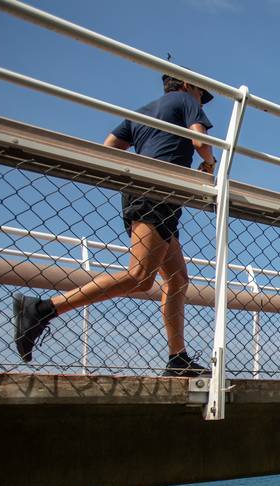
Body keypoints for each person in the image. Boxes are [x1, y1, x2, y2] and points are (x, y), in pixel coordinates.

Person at [12, 73, 217, 376]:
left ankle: (177, 358)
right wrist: (210, 165)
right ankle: (43, 309)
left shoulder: (141, 112)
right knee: (140, 276)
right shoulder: (186, 101)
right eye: (202, 94)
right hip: (157, 193)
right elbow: (200, 141)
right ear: (188, 85)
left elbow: (109, 148)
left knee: (177, 279)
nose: (202, 101)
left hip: (150, 193)